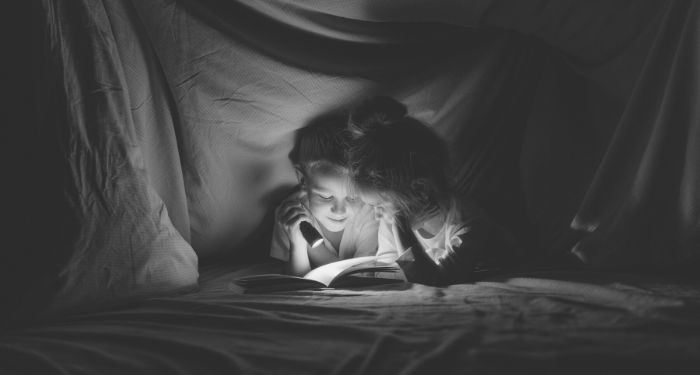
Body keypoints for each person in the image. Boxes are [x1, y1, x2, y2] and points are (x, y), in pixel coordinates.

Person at [347, 96, 516, 285]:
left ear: (419, 188)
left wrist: (402, 230)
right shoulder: (391, 220)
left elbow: (436, 280)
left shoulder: (467, 223)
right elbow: (388, 266)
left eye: (380, 205)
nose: (377, 215)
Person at [270, 112, 380, 276]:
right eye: (327, 197)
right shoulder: (290, 215)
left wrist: (316, 250)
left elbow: (360, 278)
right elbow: (295, 281)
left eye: (352, 197)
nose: (340, 211)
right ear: (302, 179)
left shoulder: (371, 213)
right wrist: (298, 245)